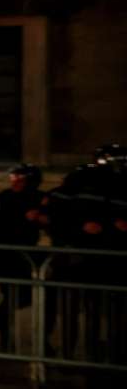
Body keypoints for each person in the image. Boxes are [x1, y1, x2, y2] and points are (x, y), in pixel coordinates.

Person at [40, 143, 127, 360]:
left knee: (101, 312)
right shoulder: (80, 184)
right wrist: (81, 228)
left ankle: (101, 355)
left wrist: (111, 226)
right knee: (73, 309)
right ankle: (71, 355)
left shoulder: (119, 187)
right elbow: (57, 219)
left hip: (108, 261)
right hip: (77, 259)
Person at [0, 163, 45, 350]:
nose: (15, 181)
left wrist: (41, 218)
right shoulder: (4, 197)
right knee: (10, 293)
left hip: (28, 251)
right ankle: (5, 340)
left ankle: (0, 316)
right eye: (13, 177)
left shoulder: (39, 197)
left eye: (20, 178)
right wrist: (23, 219)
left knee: (29, 294)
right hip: (7, 252)